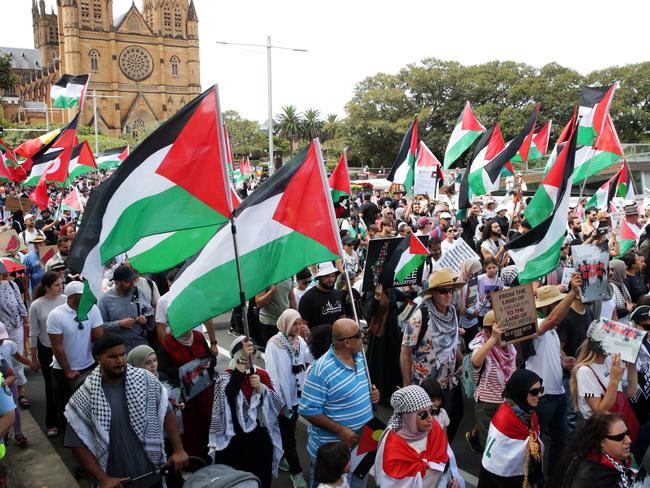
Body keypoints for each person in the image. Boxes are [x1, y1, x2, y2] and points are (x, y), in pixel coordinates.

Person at [65, 333, 189, 488]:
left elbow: (167, 412)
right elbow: (77, 444)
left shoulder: (146, 380)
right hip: (115, 482)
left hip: (153, 474)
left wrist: (178, 450)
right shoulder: (85, 396)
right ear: (98, 359)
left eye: (123, 354)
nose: (120, 361)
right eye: (112, 357)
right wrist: (102, 478)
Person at [299, 318, 380, 488]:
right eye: (359, 334)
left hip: (362, 446)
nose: (363, 335)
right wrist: (340, 430)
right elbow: (308, 410)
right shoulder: (320, 370)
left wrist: (373, 394)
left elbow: (360, 388)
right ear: (347, 342)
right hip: (332, 457)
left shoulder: (360, 357)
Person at [208, 337, 283, 488]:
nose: (251, 355)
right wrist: (242, 362)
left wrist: (262, 389)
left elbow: (276, 404)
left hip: (260, 439)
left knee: (260, 478)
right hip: (236, 441)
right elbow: (230, 393)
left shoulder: (261, 374)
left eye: (253, 352)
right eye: (247, 352)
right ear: (237, 355)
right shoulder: (225, 376)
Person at [400, 268, 464, 420]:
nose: (448, 295)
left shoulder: (452, 313)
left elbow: (453, 342)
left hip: (448, 382)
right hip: (425, 387)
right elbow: (405, 352)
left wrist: (464, 362)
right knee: (426, 427)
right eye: (443, 291)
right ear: (433, 293)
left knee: (448, 422)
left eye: (451, 291)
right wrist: (408, 387)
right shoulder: (419, 316)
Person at [375, 385, 460, 488]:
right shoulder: (391, 443)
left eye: (431, 411)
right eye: (423, 414)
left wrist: (451, 478)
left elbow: (445, 459)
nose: (430, 419)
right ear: (408, 417)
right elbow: (385, 481)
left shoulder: (435, 428)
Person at [265, 309, 312, 488]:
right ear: (285, 324)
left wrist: (308, 339)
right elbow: (272, 375)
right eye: (294, 323)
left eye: (300, 323)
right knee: (289, 436)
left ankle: (283, 456)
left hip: (299, 396)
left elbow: (309, 358)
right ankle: (296, 471)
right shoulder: (274, 344)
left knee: (288, 433)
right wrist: (280, 403)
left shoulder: (299, 340)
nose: (298, 327)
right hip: (285, 400)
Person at [48, 280, 104, 428]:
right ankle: (68, 435)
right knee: (65, 405)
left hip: (88, 365)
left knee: (90, 403)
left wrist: (100, 362)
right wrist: (68, 370)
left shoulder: (92, 309)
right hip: (63, 369)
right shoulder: (56, 315)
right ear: (71, 297)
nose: (85, 299)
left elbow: (99, 337)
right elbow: (57, 347)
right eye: (81, 296)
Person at [157, 327, 216, 465]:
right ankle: (192, 462)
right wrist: (186, 368)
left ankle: (209, 458)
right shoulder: (168, 344)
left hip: (204, 391)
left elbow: (211, 358)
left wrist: (208, 362)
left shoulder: (198, 337)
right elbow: (164, 371)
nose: (188, 331)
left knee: (207, 423)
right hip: (185, 397)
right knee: (190, 429)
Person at [478, 369, 544, 488]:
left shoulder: (530, 414)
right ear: (521, 392)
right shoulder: (503, 420)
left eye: (541, 390)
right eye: (535, 391)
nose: (540, 395)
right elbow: (500, 468)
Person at [466, 311, 517, 452]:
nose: (502, 333)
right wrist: (493, 339)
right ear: (487, 331)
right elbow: (475, 361)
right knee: (490, 446)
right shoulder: (480, 344)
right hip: (488, 405)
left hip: (506, 403)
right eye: (498, 330)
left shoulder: (509, 345)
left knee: (504, 442)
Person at [557, 413, 645, 488]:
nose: (628, 440)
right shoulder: (591, 478)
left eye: (627, 433)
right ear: (601, 441)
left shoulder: (614, 458)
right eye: (619, 437)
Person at [571, 339, 639, 436]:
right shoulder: (585, 370)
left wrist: (632, 364)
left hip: (616, 425)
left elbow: (630, 393)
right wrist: (614, 381)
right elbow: (599, 412)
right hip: (598, 430)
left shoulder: (609, 360)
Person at [28, 271, 66, 437]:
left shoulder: (65, 300)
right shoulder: (36, 305)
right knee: (51, 387)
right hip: (46, 349)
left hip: (65, 347)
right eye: (57, 285)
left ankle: (68, 420)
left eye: (61, 284)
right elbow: (34, 333)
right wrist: (34, 358)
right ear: (46, 287)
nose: (60, 288)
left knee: (66, 384)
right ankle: (52, 422)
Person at [98, 264, 154, 353]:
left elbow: (149, 311)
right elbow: (100, 326)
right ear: (117, 283)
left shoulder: (138, 291)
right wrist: (118, 324)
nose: (132, 283)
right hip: (122, 351)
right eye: (128, 281)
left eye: (132, 280)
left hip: (142, 344)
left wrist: (145, 318)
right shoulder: (105, 300)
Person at [0, 322, 36, 448]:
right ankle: (4, 435)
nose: (0, 341)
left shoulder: (9, 345)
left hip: (9, 385)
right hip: (4, 384)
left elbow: (18, 357)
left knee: (14, 409)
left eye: (1, 339)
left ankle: (18, 433)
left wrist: (31, 363)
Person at [0, 271, 28, 408]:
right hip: (0, 333)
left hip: (16, 327)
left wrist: (27, 323)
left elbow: (21, 304)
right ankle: (5, 393)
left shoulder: (11, 285)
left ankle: (20, 393)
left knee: (17, 360)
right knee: (3, 362)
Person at [299, 262, 345, 328]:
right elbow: (303, 325)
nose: (331, 280)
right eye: (327, 276)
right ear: (319, 278)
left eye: (333, 276)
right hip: (317, 337)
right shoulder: (308, 298)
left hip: (337, 336)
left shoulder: (338, 294)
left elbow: (342, 317)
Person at [255, 277, 296, 345]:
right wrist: (271, 292)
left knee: (285, 351)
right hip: (269, 323)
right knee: (272, 351)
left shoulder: (288, 276)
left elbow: (292, 299)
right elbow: (259, 303)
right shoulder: (266, 276)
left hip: (285, 324)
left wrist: (295, 319)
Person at [22, 234, 46, 301]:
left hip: (50, 288)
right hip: (36, 290)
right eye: (36, 243)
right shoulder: (27, 257)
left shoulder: (51, 254)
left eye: (40, 243)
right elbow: (25, 275)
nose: (38, 245)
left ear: (45, 243)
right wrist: (26, 291)